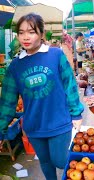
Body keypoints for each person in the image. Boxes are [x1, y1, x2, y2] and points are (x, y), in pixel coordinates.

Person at [0, 13, 84, 179]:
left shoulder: (55, 55)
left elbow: (70, 84)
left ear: (41, 34)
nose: (25, 37)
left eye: (31, 32)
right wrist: (1, 130)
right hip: (34, 125)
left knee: (61, 161)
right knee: (45, 162)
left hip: (60, 121)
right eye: (21, 32)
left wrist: (76, 112)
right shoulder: (15, 66)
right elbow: (7, 103)